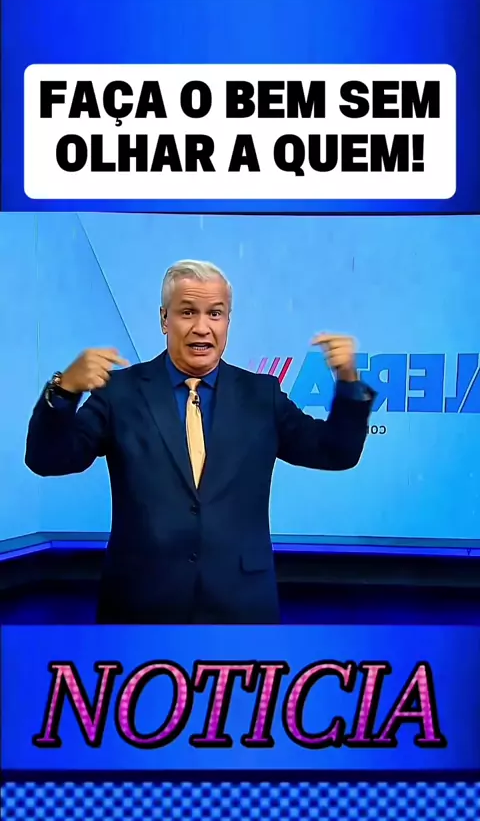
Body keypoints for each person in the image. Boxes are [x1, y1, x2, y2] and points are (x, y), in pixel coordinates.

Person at [25, 260, 375, 624]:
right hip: (140, 605)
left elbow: (336, 452)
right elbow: (48, 459)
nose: (202, 327)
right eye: (188, 312)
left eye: (215, 313)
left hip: (241, 605)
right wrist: (64, 390)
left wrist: (348, 382)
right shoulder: (120, 393)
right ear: (164, 319)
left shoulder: (261, 394)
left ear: (228, 322)